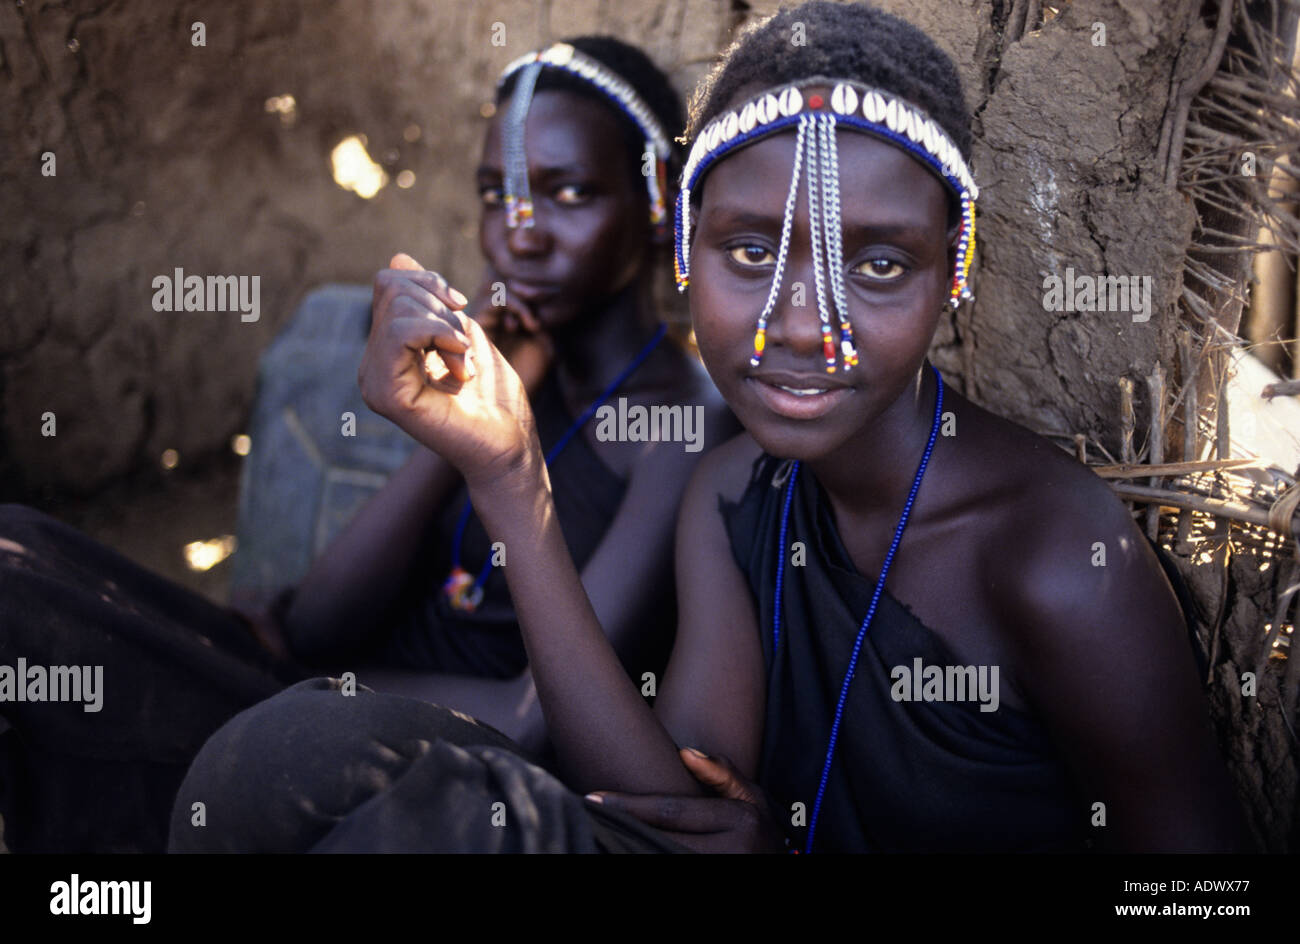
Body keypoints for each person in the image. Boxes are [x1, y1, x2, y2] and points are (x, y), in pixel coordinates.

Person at [171, 2, 1251, 854]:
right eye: (746, 252)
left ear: (951, 274)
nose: (799, 327)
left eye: (875, 264)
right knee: (288, 755)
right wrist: (511, 481)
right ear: (684, 250)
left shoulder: (1058, 555)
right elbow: (663, 804)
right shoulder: (731, 497)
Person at [0, 35, 730, 852]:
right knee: (17, 557)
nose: (519, 236)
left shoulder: (680, 431)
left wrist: (313, 693)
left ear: (658, 197)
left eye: (567, 192)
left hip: (408, 761)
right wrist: (456, 428)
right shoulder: (515, 371)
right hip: (312, 701)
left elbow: (534, 722)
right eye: (497, 193)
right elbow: (315, 627)